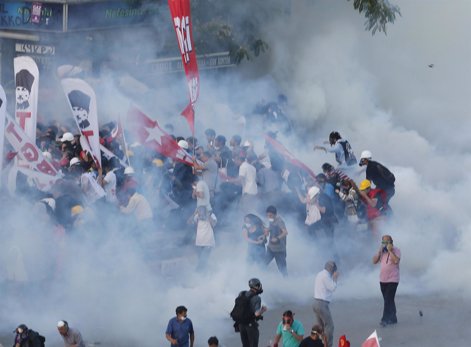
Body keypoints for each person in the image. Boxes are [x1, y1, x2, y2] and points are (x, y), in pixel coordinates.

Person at [373, 234, 401, 327]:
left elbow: (396, 261)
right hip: (383, 279)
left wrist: (390, 250)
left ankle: (385, 319)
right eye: (383, 242)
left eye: (387, 242)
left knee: (388, 300)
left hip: (393, 279)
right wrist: (379, 251)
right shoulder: (382, 251)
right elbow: (374, 261)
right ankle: (393, 318)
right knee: (388, 299)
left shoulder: (396, 250)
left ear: (391, 242)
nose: (385, 244)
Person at [233, 278, 267, 347]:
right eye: (258, 285)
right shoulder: (257, 298)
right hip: (250, 325)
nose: (260, 287)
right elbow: (257, 313)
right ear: (255, 286)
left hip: (241, 324)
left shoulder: (242, 293)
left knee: (245, 345)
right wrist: (263, 310)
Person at [313, 261, 339, 347]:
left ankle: (319, 344)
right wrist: (335, 278)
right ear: (331, 269)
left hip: (316, 302)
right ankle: (328, 345)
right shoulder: (326, 276)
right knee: (330, 326)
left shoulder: (320, 274)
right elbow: (332, 288)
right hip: (322, 304)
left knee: (320, 328)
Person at [264, 205, 288, 277]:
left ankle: (288, 283)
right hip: (271, 248)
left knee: (282, 270)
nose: (269, 217)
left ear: (275, 214)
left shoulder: (280, 221)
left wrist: (277, 238)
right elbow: (271, 228)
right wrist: (267, 230)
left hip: (279, 250)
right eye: (268, 215)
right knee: (263, 264)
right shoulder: (271, 220)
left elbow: (285, 232)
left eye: (270, 215)